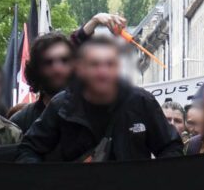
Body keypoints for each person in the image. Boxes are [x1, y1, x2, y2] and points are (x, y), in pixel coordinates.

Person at [17, 35, 183, 162]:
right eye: (95, 64)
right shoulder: (62, 105)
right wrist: (50, 184)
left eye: (109, 64)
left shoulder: (141, 102)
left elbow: (171, 147)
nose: (102, 72)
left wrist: (153, 183)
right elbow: (29, 150)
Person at [12, 34, 76, 133]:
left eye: (64, 60)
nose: (57, 69)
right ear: (36, 69)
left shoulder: (92, 115)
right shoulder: (20, 122)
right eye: (48, 62)